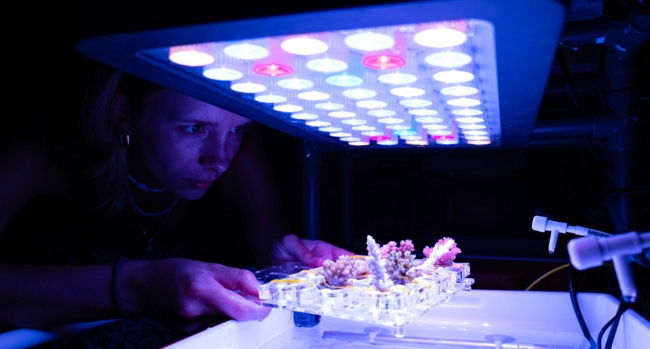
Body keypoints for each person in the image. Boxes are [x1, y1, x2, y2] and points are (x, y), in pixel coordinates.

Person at [0, 63, 352, 346]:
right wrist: (137, 286)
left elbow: (265, 273)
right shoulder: (49, 152)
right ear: (124, 113)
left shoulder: (240, 158)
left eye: (237, 130)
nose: (220, 159)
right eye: (194, 128)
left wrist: (279, 273)